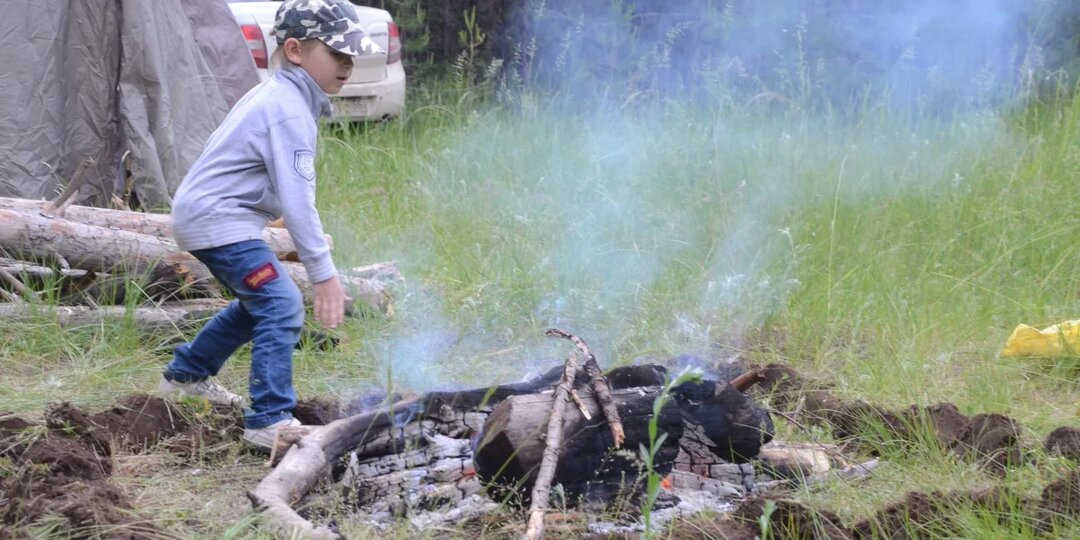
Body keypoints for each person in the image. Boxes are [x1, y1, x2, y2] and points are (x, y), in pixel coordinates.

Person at [157, 0, 378, 451]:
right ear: (295, 50)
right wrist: (324, 275)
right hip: (219, 221)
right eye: (338, 54)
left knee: (262, 300)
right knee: (281, 304)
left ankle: (186, 376)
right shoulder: (287, 109)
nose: (348, 66)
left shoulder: (283, 96)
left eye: (353, 56)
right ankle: (269, 420)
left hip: (211, 217)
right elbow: (299, 204)